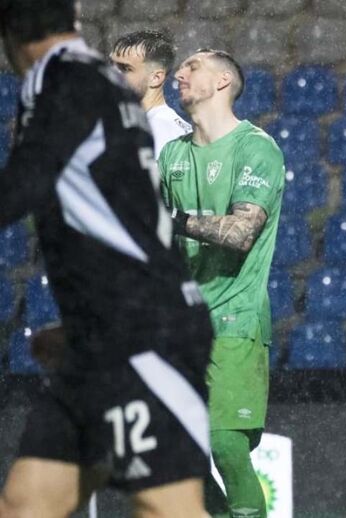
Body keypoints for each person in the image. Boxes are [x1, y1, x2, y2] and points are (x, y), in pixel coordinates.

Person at [0, 1, 214, 517]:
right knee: (25, 507)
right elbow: (117, 212)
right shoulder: (104, 82)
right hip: (104, 337)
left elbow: (21, 187)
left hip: (140, 335)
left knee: (169, 510)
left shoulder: (56, 79)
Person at [158, 48, 285, 518]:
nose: (179, 75)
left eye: (192, 68)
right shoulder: (172, 156)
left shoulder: (257, 148)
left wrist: (174, 220)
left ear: (223, 83)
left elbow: (240, 232)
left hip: (235, 317)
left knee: (224, 444)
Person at [110, 29, 191, 159]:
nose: (112, 75)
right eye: (111, 66)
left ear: (155, 78)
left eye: (125, 69)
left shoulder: (160, 131)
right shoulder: (147, 125)